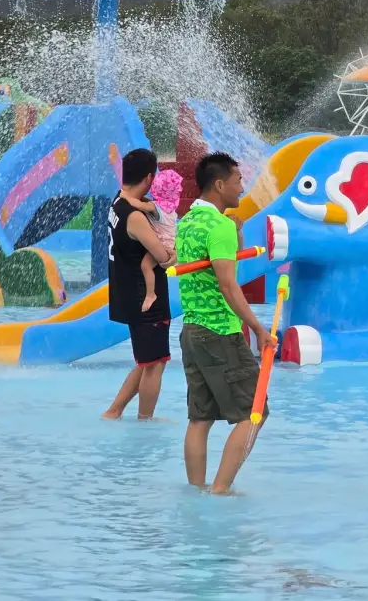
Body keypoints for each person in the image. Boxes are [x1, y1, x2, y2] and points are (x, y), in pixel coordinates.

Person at [177, 152, 276, 494]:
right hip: (219, 331)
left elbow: (222, 268)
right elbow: (228, 284)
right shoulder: (218, 226)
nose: (241, 187)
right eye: (237, 181)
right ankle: (220, 489)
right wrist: (260, 328)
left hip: (191, 331)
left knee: (200, 418)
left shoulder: (188, 221)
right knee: (255, 412)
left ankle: (196, 490)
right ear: (219, 185)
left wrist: (236, 234)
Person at [103, 148, 176, 420]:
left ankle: (114, 411)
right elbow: (162, 257)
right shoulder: (134, 216)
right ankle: (145, 420)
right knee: (156, 364)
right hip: (148, 299)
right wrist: (175, 252)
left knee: (146, 361)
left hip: (128, 292)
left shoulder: (118, 202)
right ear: (148, 177)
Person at [125, 167, 183, 314]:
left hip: (162, 244)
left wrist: (126, 196)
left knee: (145, 266)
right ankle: (151, 294)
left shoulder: (154, 207)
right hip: (170, 242)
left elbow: (138, 204)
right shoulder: (169, 207)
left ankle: (151, 294)